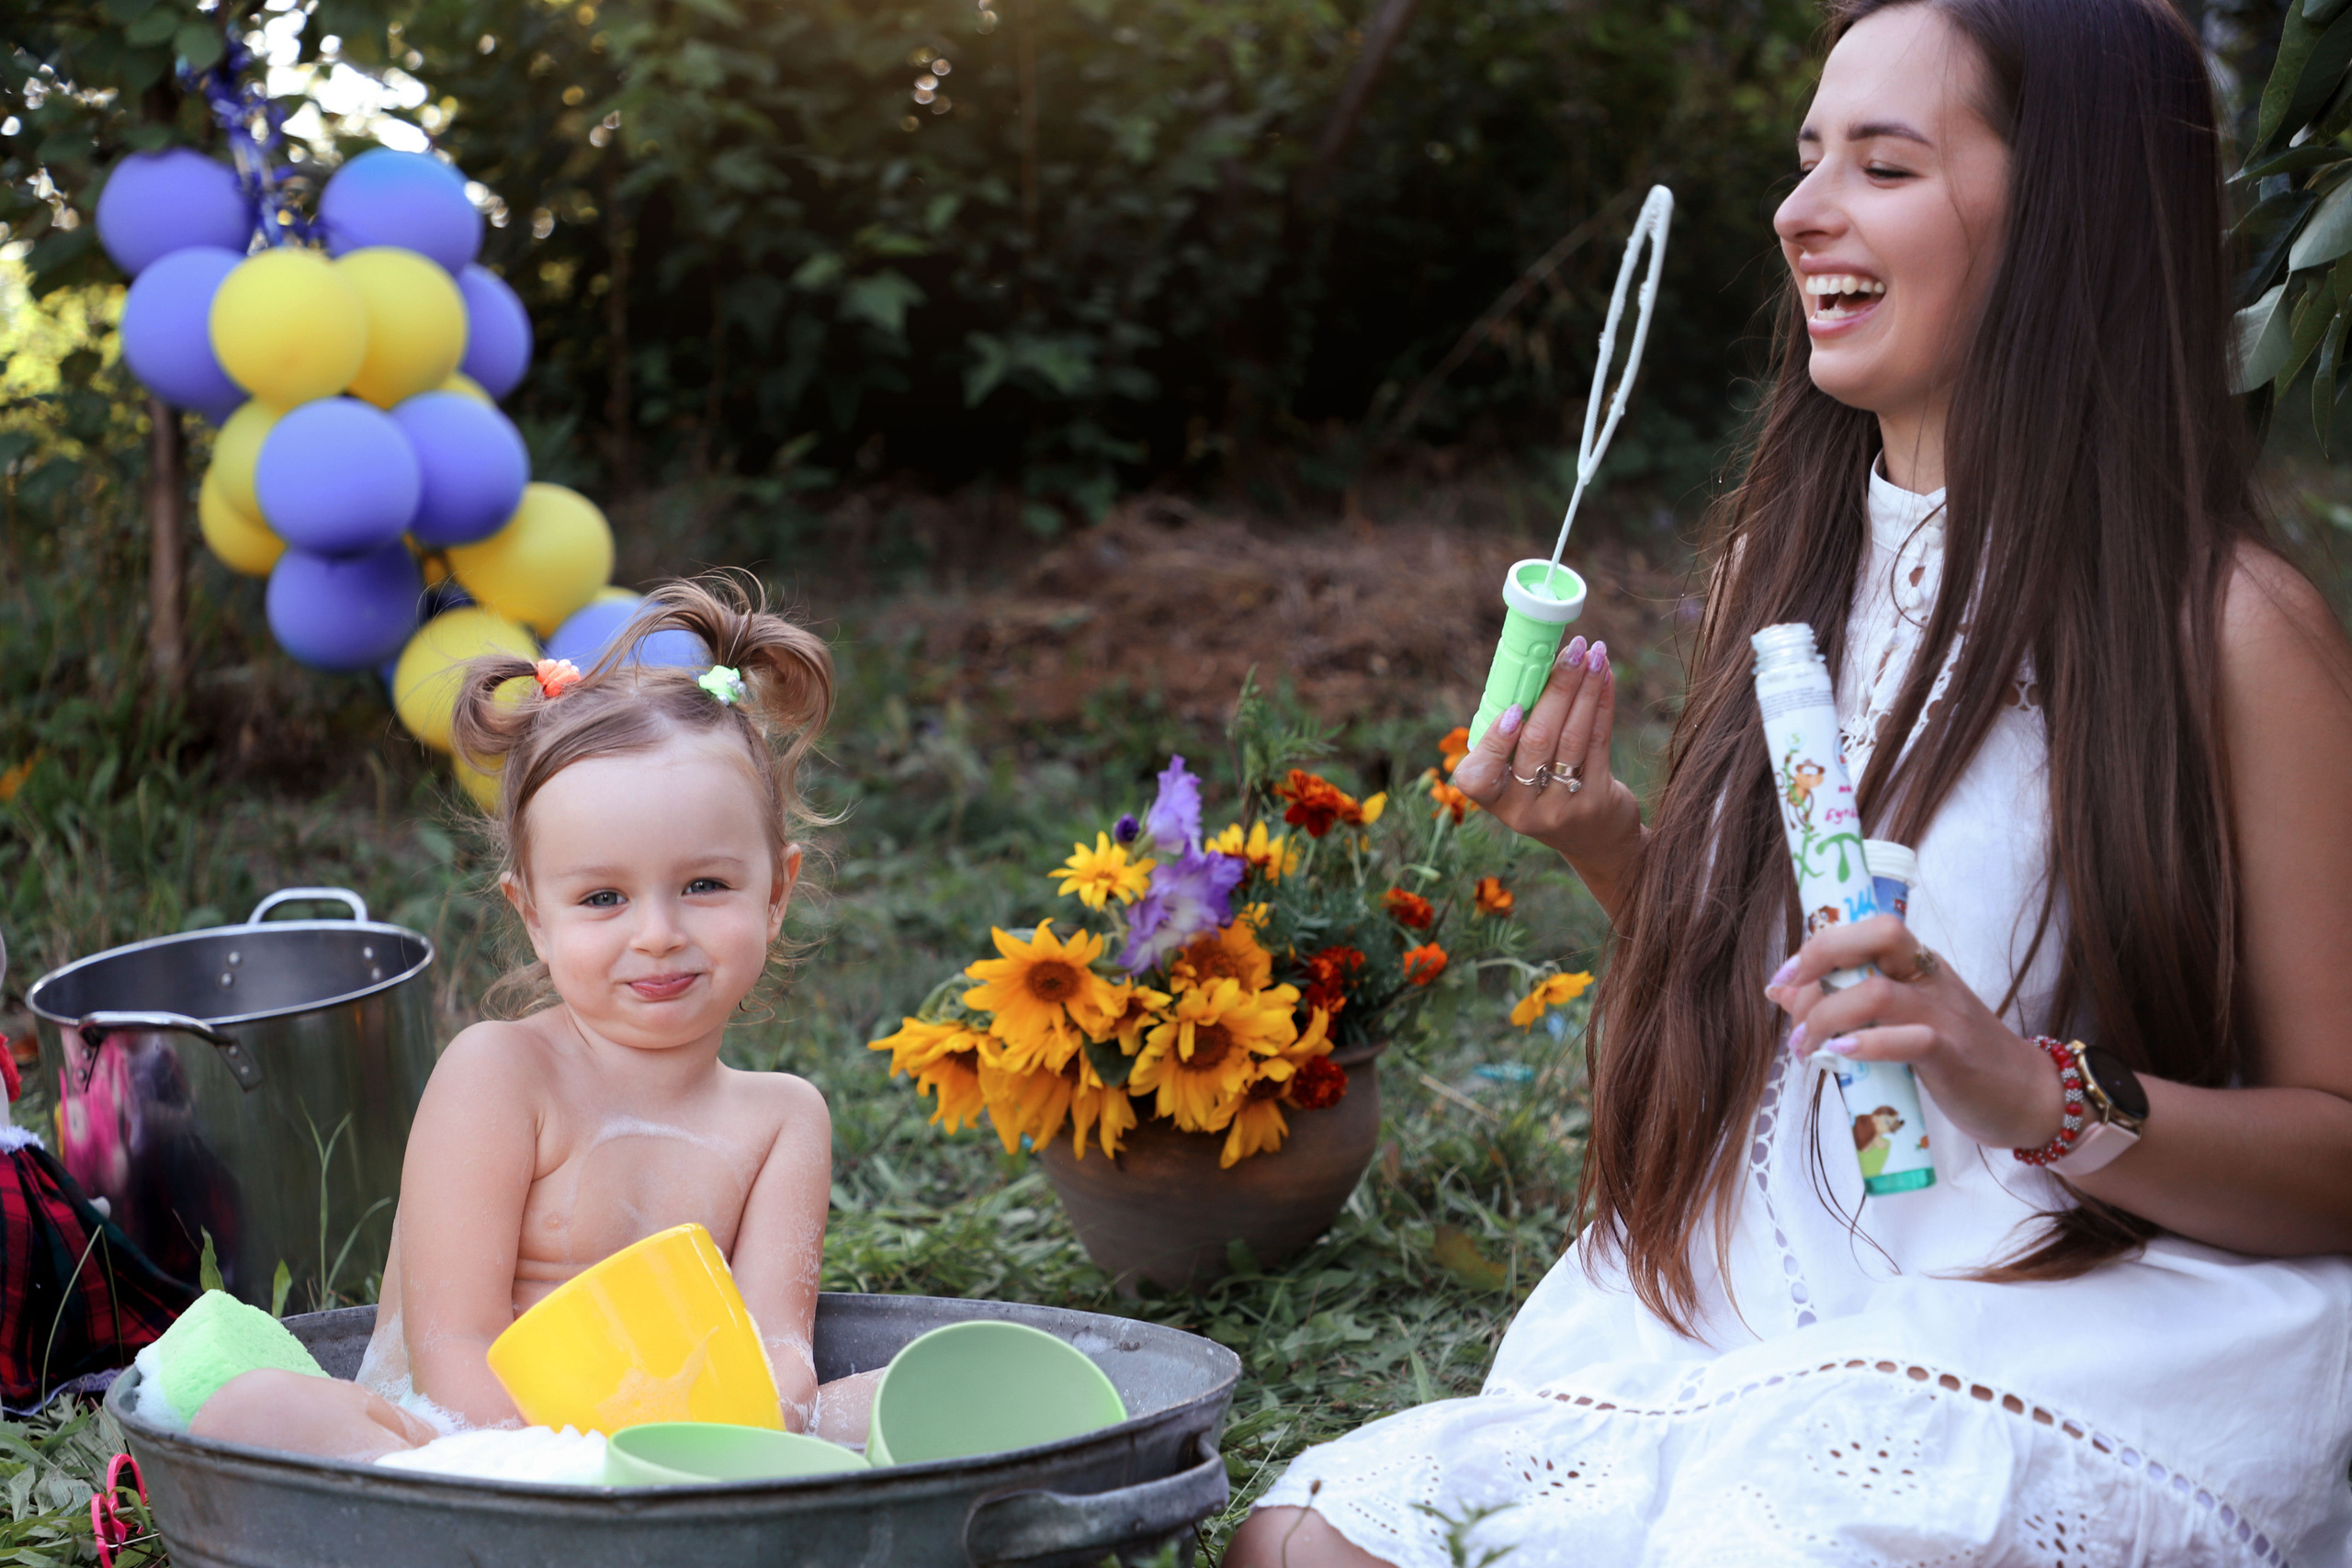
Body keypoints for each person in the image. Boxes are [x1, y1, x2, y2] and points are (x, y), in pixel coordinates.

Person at [1229, 1, 2352, 1562]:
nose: (1798, 210)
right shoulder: (1780, 570)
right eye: (1808, 156)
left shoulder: (2225, 627)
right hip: (1755, 1299)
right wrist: (1613, 846)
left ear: (2068, 216)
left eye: (1883, 166)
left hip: (2081, 1308)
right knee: (1308, 1537)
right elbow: (1796, 1001)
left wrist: (2036, 1089)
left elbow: (2337, 1156)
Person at [194, 577, 869, 1460]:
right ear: (535, 917)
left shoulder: (782, 1119)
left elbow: (779, 1348)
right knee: (250, 1412)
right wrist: (573, 1469)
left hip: (687, 1445)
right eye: (603, 897)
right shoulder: (503, 1074)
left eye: (705, 885)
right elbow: (451, 1349)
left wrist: (751, 1427)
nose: (658, 934)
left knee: (906, 1395)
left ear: (776, 893)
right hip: (470, 1444)